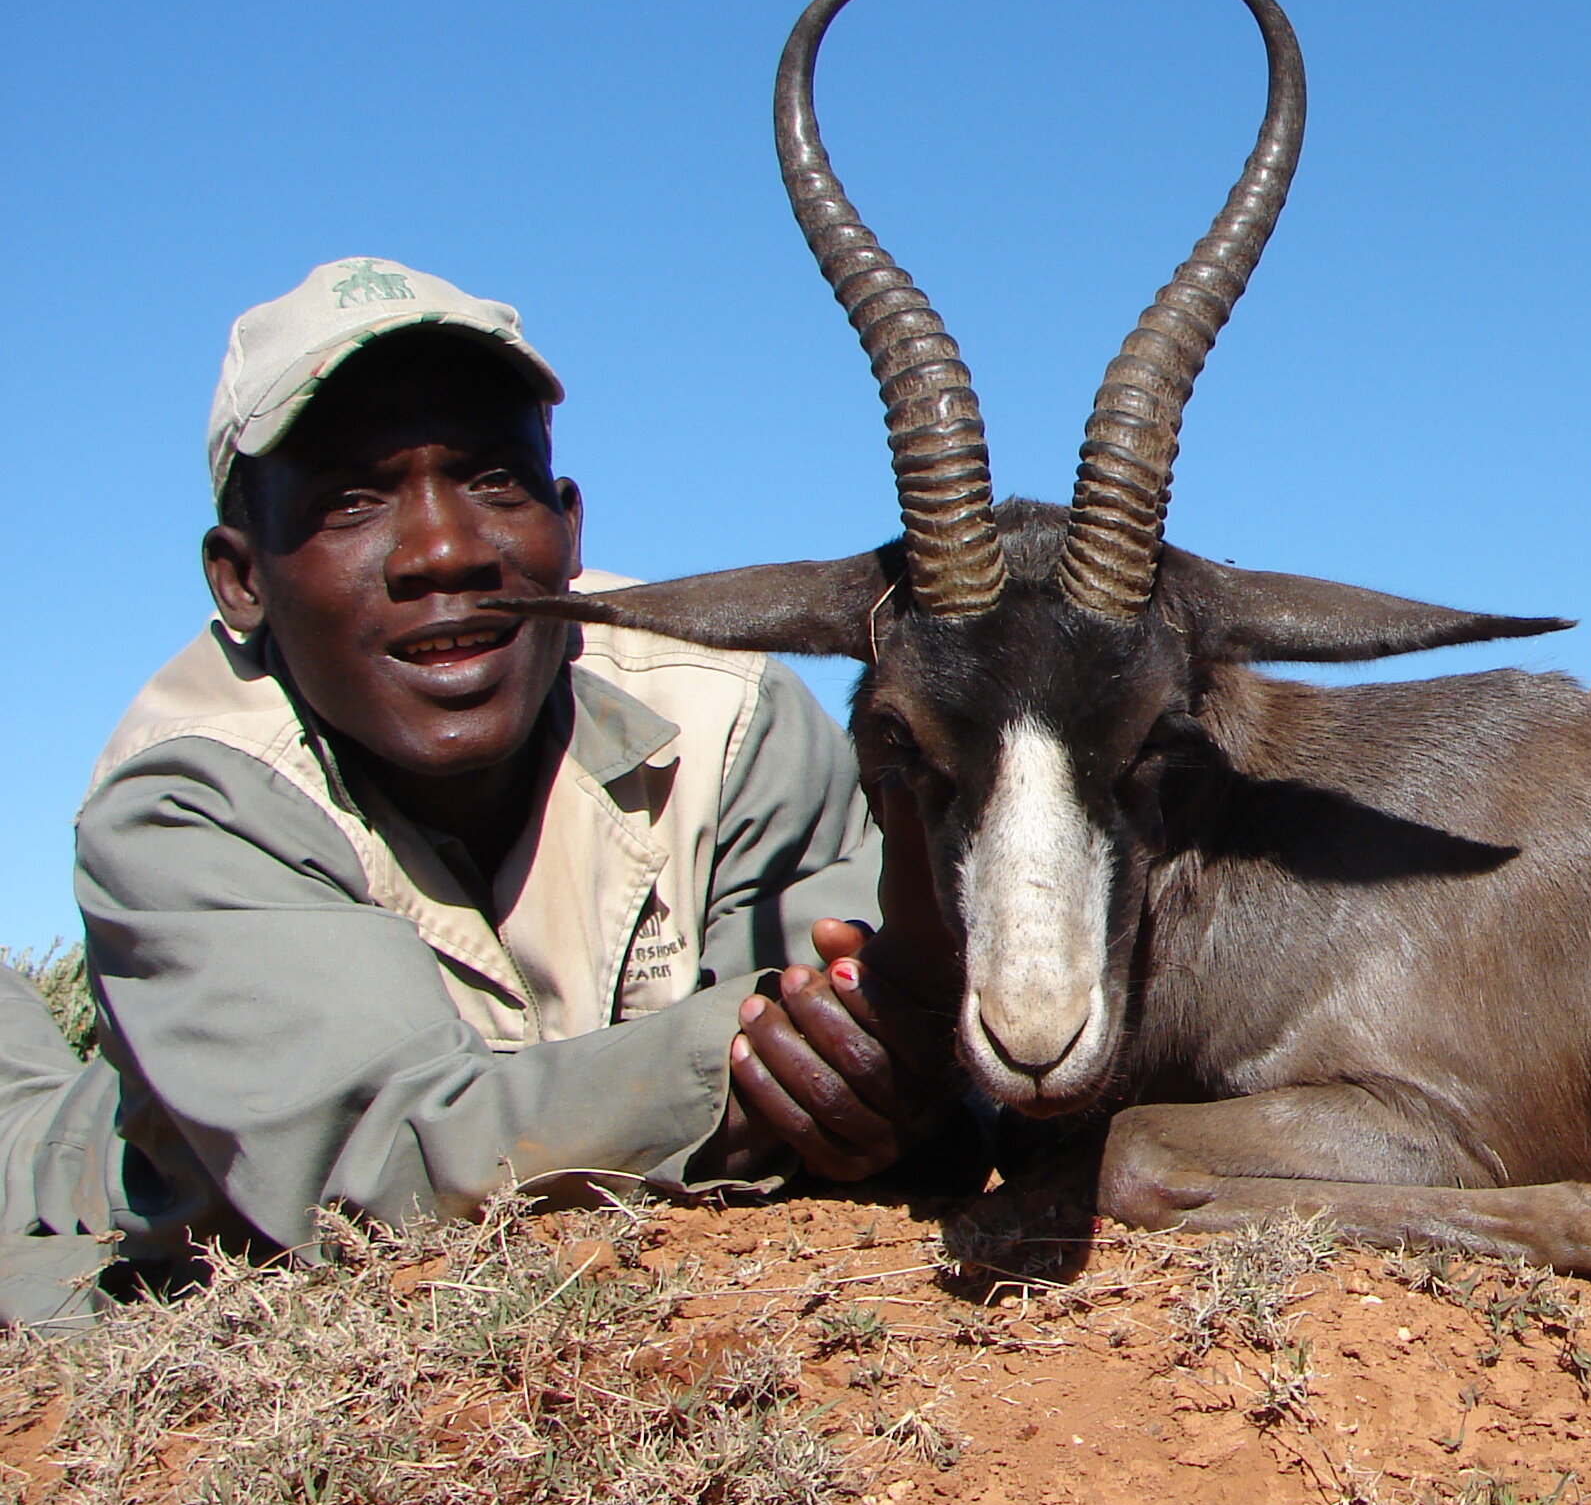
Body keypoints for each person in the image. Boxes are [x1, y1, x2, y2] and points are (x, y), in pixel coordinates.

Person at [0, 258, 946, 1326]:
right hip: (131, 1173)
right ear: (241, 579)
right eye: (349, 501)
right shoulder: (185, 795)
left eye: (496, 481)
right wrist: (752, 1066)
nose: (445, 552)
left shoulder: (725, 714)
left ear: (569, 528)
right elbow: (385, 1162)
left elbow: (840, 1040)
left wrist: (863, 1065)